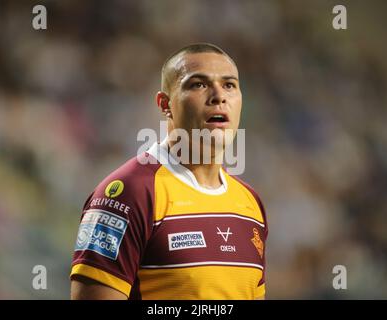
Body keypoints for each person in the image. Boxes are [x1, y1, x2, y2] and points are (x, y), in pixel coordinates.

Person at [70, 43, 268, 300]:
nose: (219, 96)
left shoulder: (250, 204)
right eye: (198, 84)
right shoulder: (129, 194)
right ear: (165, 104)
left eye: (229, 85)